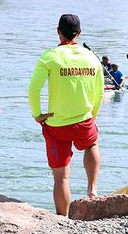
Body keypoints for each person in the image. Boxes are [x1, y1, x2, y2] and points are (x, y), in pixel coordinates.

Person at [28, 14, 104, 216]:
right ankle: (92, 189)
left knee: (61, 177)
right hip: (84, 119)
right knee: (92, 144)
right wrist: (92, 116)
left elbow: (33, 90)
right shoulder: (91, 57)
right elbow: (100, 93)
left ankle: (62, 218)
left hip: (56, 124)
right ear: (79, 34)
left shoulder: (50, 56)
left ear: (58, 31)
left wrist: (37, 114)